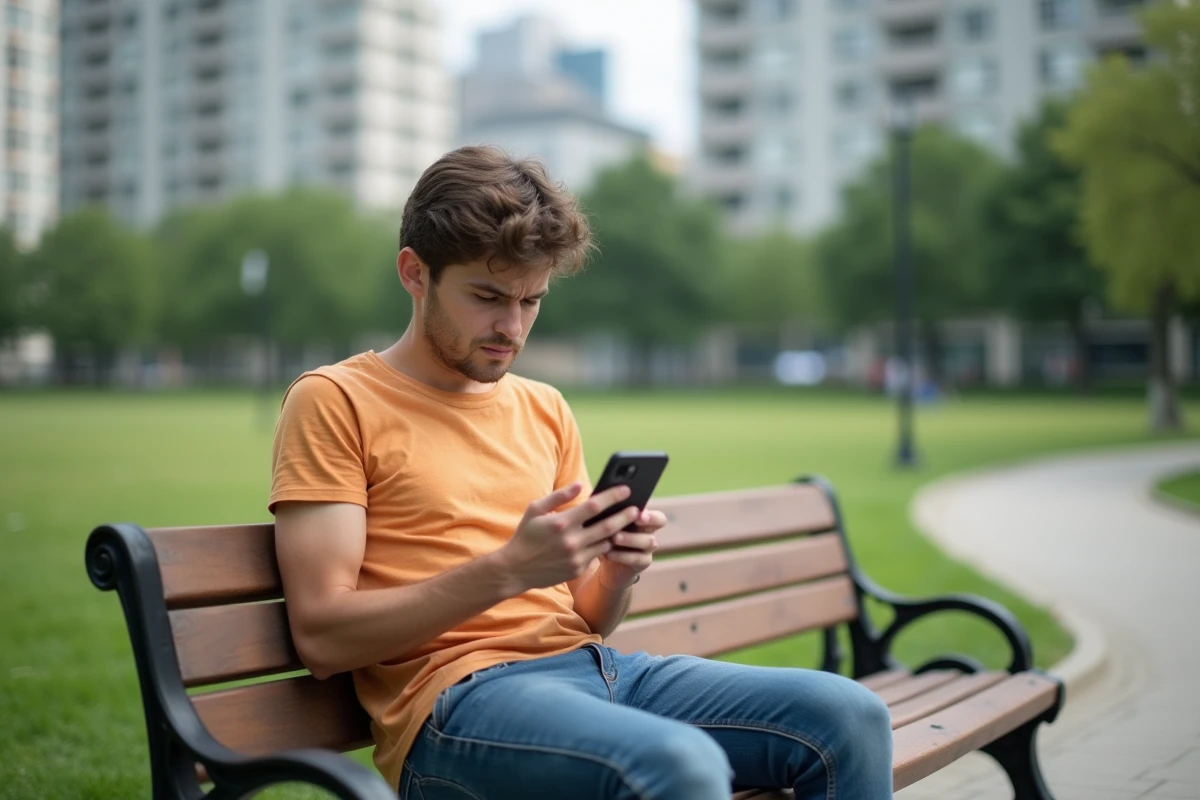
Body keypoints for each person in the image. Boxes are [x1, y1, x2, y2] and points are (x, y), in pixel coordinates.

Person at [270, 146, 893, 800]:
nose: (511, 327)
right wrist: (509, 569)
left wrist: (616, 573)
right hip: (457, 708)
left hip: (597, 674)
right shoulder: (335, 400)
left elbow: (586, 616)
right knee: (678, 764)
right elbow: (323, 636)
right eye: (487, 296)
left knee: (848, 717)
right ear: (414, 273)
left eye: (531, 301)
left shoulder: (544, 407)